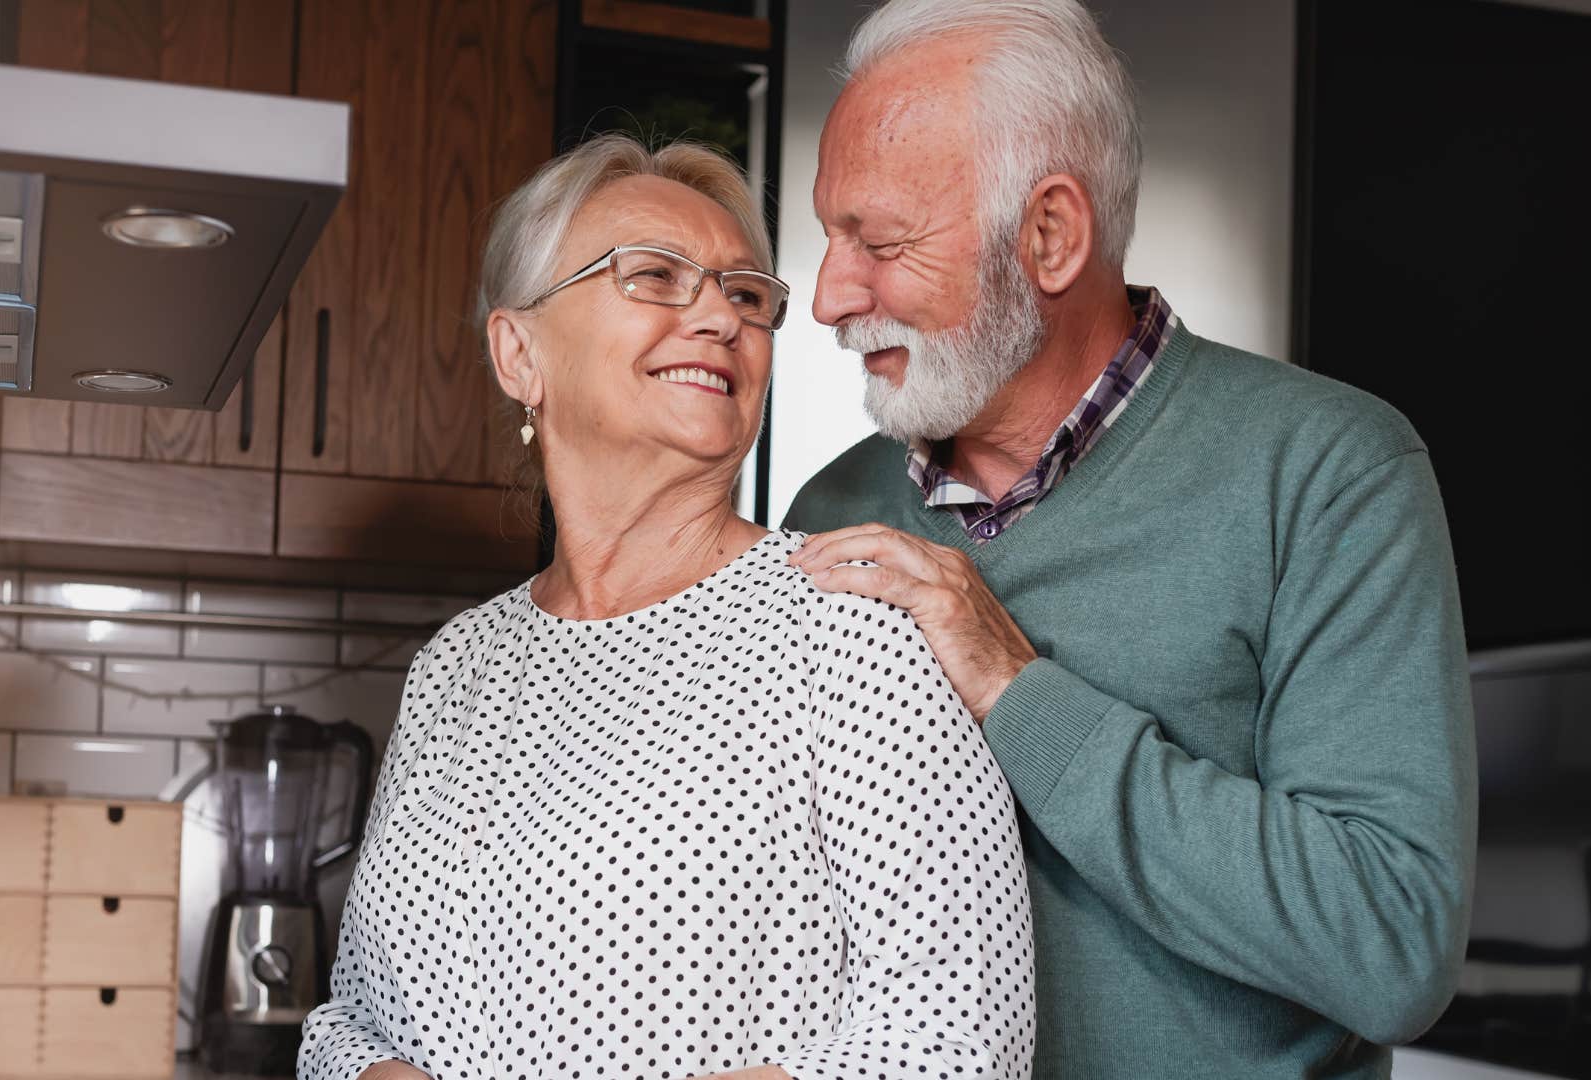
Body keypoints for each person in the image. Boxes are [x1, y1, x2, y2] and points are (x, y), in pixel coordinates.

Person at [782, 1, 1476, 1077]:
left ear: (1051, 235)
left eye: (878, 241)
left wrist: (1017, 689)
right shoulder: (830, 513)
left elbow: (1392, 944)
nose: (828, 296)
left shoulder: (1332, 474)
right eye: (831, 237)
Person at [297, 134, 1036, 1080]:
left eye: (744, 295)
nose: (719, 320)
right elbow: (349, 1016)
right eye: (651, 275)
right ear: (518, 352)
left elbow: (958, 1044)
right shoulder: (456, 663)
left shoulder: (853, 625)